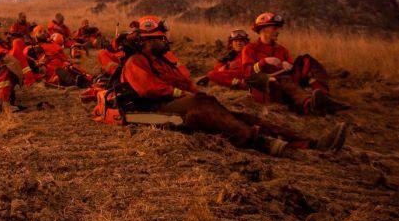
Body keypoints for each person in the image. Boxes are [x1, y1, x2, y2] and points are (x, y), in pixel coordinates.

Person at [121, 17, 346, 156]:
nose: (166, 42)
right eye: (162, 38)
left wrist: (195, 91)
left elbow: (187, 82)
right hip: (159, 110)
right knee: (204, 105)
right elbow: (148, 89)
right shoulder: (135, 62)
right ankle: (259, 142)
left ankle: (311, 143)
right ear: (148, 41)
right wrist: (186, 92)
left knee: (239, 115)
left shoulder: (164, 62)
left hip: (183, 103)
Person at [239, 13, 348, 115]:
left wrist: (288, 64)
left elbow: (292, 69)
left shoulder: (282, 50)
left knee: (306, 60)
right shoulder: (249, 49)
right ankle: (309, 104)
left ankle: (324, 96)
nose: (278, 31)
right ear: (263, 29)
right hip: (268, 87)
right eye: (274, 28)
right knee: (283, 80)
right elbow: (247, 73)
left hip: (288, 82)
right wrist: (264, 62)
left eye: (278, 28)